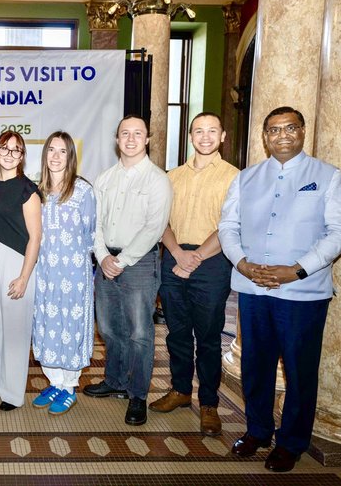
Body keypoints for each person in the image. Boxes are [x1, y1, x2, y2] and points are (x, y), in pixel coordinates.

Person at [219, 106, 341, 472]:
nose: (282, 135)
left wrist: (296, 270)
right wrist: (242, 263)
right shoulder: (246, 178)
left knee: (299, 370)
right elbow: (228, 226)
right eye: (274, 130)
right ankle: (258, 431)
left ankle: (292, 442)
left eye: (290, 128)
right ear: (265, 137)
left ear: (302, 132)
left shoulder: (329, 177)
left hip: (302, 294)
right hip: (253, 288)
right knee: (255, 365)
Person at [149, 112, 239, 436]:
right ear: (190, 136)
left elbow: (230, 225)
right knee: (176, 332)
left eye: (212, 131)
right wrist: (177, 253)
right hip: (174, 257)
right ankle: (180, 390)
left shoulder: (234, 177)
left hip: (212, 261)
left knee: (209, 337)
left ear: (222, 136)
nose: (205, 137)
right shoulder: (172, 177)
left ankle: (209, 403)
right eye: (199, 131)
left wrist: (196, 257)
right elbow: (162, 222)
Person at [83, 115, 173, 427]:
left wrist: (121, 261)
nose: (131, 139)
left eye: (137, 134)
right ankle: (115, 381)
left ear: (147, 139)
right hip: (105, 261)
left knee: (139, 333)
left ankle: (137, 394)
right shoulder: (104, 178)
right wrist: (102, 256)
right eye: (125, 133)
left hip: (139, 263)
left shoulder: (157, 180)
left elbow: (154, 227)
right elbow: (94, 223)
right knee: (108, 328)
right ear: (117, 139)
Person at [30, 132, 96, 416]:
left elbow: (91, 233)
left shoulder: (82, 191)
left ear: (71, 157)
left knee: (71, 327)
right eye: (51, 150)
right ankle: (55, 382)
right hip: (45, 273)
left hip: (74, 275)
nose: (56, 156)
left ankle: (69, 387)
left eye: (62, 151)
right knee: (47, 325)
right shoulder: (37, 191)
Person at [0, 130, 41, 411]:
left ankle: (13, 393)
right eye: (4, 148)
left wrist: (24, 277)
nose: (9, 154)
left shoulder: (27, 190)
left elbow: (36, 237)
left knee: (16, 330)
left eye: (15, 150)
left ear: (22, 156)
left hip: (17, 260)